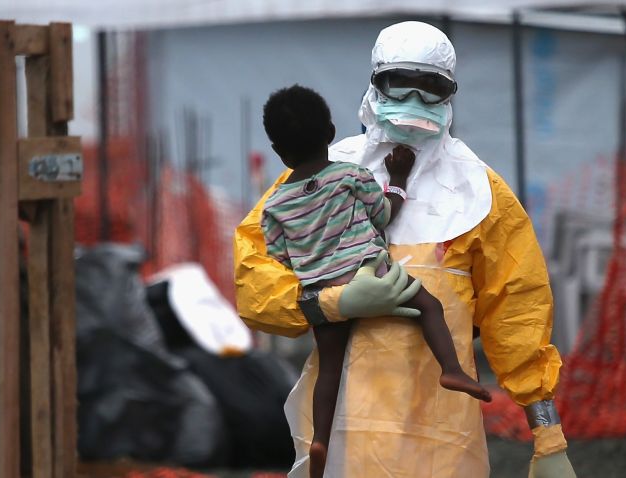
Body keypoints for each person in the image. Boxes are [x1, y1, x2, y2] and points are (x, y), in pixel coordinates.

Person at [234, 21, 576, 478]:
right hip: (344, 434)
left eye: (430, 88)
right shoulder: (325, 170)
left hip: (441, 439)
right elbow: (255, 278)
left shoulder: (480, 192)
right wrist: (331, 304)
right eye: (401, 84)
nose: (414, 102)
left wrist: (548, 437)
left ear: (450, 92)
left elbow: (518, 311)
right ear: (376, 83)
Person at [258, 85, 491, 478]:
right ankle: (451, 368)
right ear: (330, 132)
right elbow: (384, 214)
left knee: (329, 368)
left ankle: (320, 440)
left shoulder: (275, 204)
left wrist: (314, 261)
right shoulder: (350, 175)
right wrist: (398, 177)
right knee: (428, 306)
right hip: (370, 272)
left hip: (322, 290)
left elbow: (277, 252)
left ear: (279, 150)